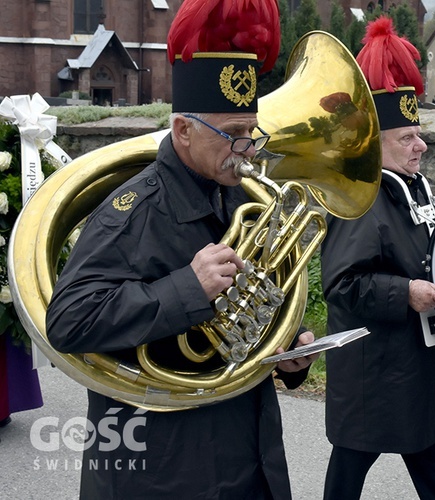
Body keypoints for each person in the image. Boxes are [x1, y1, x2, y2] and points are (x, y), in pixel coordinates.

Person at [45, 1, 318, 498]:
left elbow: (259, 295)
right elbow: (68, 320)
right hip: (161, 468)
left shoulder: (239, 195)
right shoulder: (133, 209)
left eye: (251, 132)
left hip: (249, 454)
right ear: (183, 131)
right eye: (232, 135)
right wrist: (185, 288)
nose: (249, 150)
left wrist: (290, 345)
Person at [320, 17, 435, 500]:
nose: (421, 145)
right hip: (376, 368)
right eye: (406, 137)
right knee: (351, 462)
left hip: (419, 363)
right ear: (374, 144)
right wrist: (405, 291)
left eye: (418, 133)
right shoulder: (360, 200)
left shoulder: (415, 188)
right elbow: (341, 284)